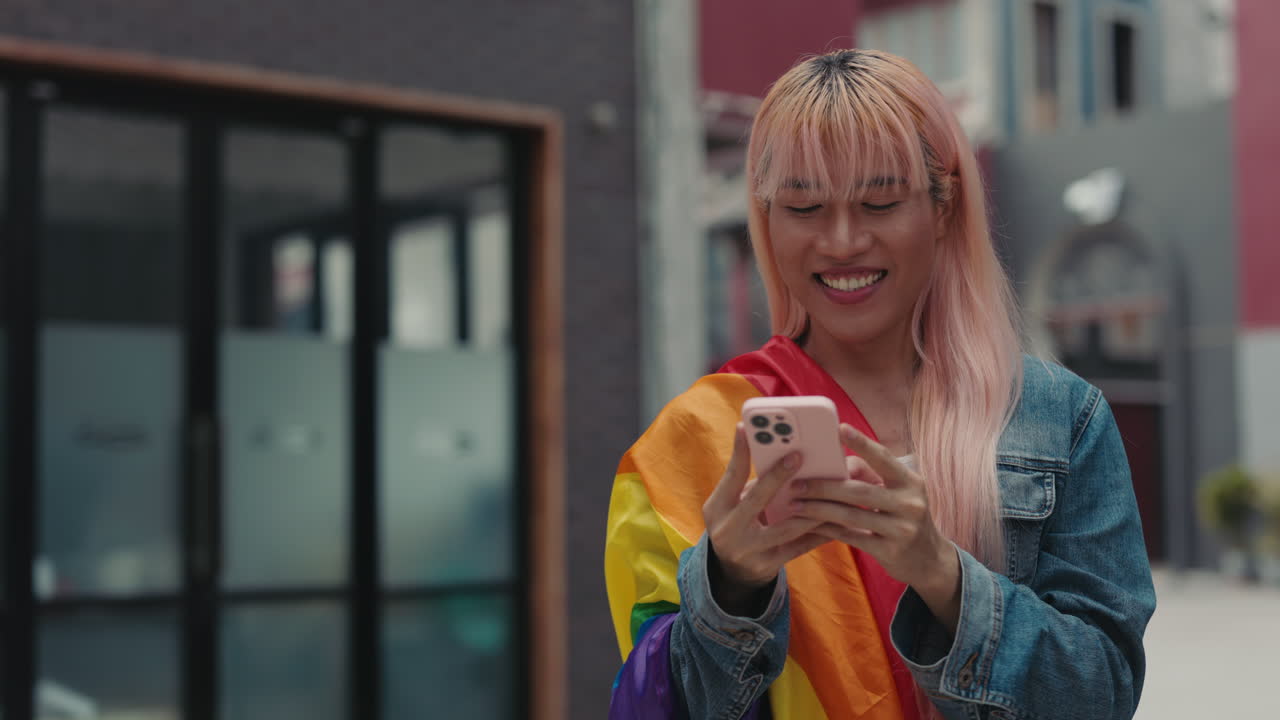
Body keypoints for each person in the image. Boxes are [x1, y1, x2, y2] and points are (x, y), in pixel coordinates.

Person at [604, 49, 1156, 720]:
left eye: (880, 202)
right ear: (766, 217)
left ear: (944, 206)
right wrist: (730, 585)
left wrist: (940, 573)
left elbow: (1103, 695)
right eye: (804, 206)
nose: (841, 242)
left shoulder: (1059, 416)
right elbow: (656, 704)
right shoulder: (698, 434)